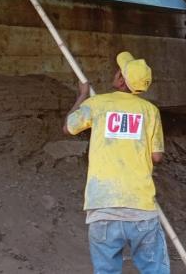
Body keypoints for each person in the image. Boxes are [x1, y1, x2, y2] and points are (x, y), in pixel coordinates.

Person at [63, 51, 168, 274]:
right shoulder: (150, 111)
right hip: (141, 208)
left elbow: (69, 127)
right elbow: (157, 157)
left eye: (119, 70)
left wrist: (82, 95)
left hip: (102, 206)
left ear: (120, 80)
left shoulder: (97, 103)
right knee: (155, 269)